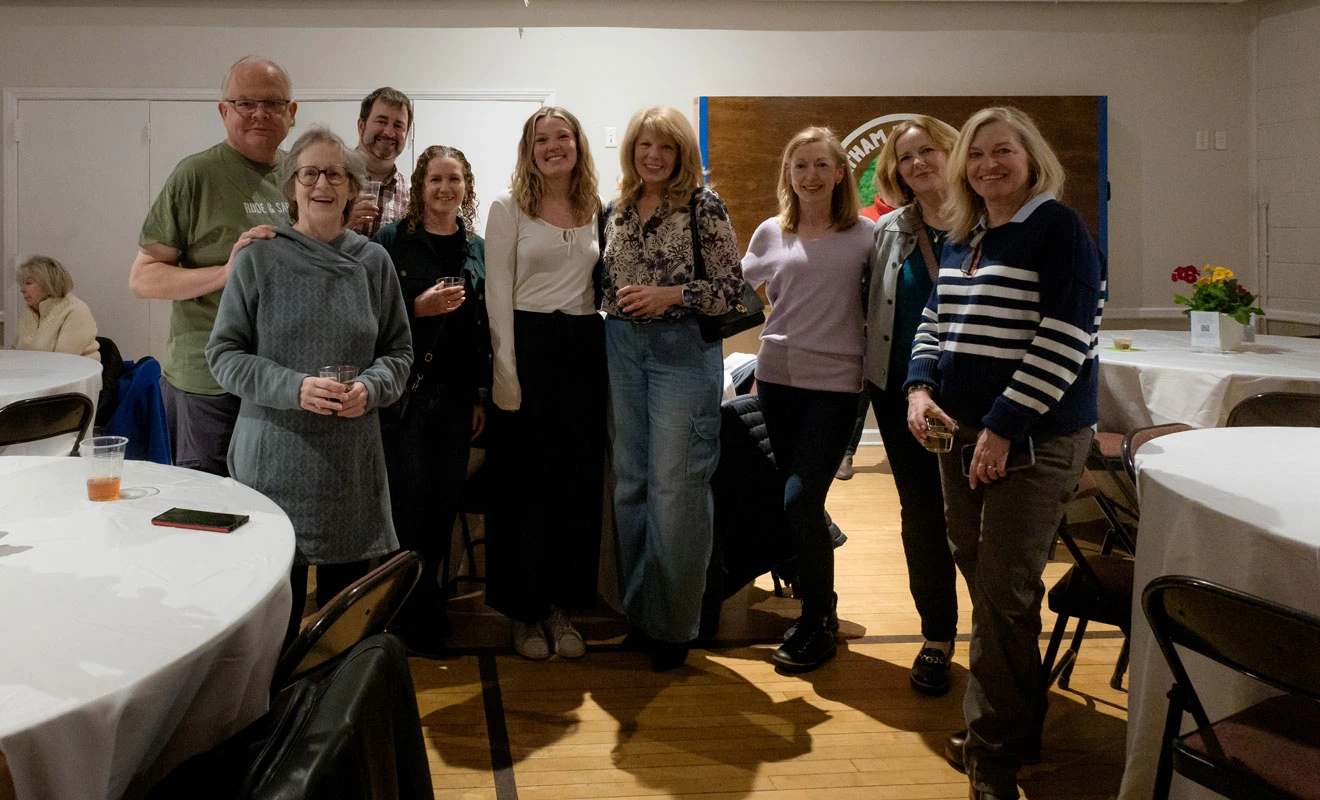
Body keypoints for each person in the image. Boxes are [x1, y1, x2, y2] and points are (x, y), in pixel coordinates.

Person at [904, 107, 1106, 800]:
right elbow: (936, 317)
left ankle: (991, 753)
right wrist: (918, 387)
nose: (990, 165)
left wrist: (1001, 425)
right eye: (979, 155)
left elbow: (1065, 339)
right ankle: (1019, 725)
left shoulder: (1060, 230)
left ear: (1031, 158)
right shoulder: (969, 232)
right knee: (991, 588)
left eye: (1004, 152)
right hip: (956, 435)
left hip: (1034, 440)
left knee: (1002, 589)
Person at [206, 125, 412, 645]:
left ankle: (330, 717)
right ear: (291, 186)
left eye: (335, 174)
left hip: (348, 460)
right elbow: (223, 356)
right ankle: (270, 715)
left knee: (343, 620)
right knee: (273, 613)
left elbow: (399, 353)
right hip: (273, 456)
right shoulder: (258, 257)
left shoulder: (373, 262)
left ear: (351, 188)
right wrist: (294, 387)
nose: (322, 184)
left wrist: (372, 386)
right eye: (310, 173)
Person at [603, 106, 744, 671]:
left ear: (683, 153)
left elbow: (732, 289)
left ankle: (675, 627)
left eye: (666, 147)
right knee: (631, 484)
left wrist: (672, 296)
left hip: (681, 352)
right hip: (620, 347)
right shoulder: (614, 209)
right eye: (644, 146)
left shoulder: (702, 206)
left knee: (677, 489)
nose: (653, 156)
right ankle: (643, 614)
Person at [741, 126, 873, 673]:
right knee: (795, 499)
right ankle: (822, 608)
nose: (811, 176)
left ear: (841, 172)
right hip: (777, 380)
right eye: (800, 166)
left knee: (800, 499)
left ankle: (817, 616)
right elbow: (739, 292)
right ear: (788, 175)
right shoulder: (771, 232)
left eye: (822, 165)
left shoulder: (867, 235)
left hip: (837, 386)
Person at [130, 55, 297, 475]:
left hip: (278, 378)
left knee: (267, 507)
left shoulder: (302, 174)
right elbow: (143, 279)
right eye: (245, 103)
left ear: (291, 113)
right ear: (224, 111)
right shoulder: (195, 175)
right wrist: (226, 274)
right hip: (207, 383)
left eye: (273, 103)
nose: (260, 114)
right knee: (208, 514)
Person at [483, 107, 605, 661]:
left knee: (573, 486)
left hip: (582, 349)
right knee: (522, 489)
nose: (553, 146)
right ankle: (523, 613)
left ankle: (562, 607)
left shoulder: (596, 208)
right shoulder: (508, 208)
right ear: (528, 149)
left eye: (563, 137)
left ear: (578, 145)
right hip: (526, 348)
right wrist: (506, 372)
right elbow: (496, 296)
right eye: (542, 139)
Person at [376, 145, 490, 658]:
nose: (445, 188)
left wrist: (482, 395)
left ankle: (431, 610)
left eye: (455, 179)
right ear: (420, 188)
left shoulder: (478, 248)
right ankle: (398, 617)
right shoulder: (392, 242)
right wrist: (414, 308)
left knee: (442, 508)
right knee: (406, 509)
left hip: (457, 398)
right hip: (405, 396)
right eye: (435, 180)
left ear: (466, 187)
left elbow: (485, 330)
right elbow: (368, 316)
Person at [865, 116, 962, 695]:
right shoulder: (890, 231)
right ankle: (937, 638)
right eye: (906, 158)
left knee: (978, 526)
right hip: (901, 397)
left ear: (954, 152)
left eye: (928, 150)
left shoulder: (990, 226)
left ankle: (1001, 649)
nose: (919, 163)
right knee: (921, 514)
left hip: (974, 400)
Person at [349, 87, 413, 237]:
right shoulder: (330, 177)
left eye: (398, 125)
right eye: (381, 121)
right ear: (361, 125)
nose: (389, 132)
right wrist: (342, 223)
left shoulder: (411, 194)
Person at [15, 255, 100, 361]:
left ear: (49, 283)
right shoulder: (30, 312)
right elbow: (18, 353)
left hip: (73, 374)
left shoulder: (76, 310)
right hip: (35, 373)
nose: (22, 289)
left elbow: (63, 361)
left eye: (28, 283)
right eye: (21, 284)